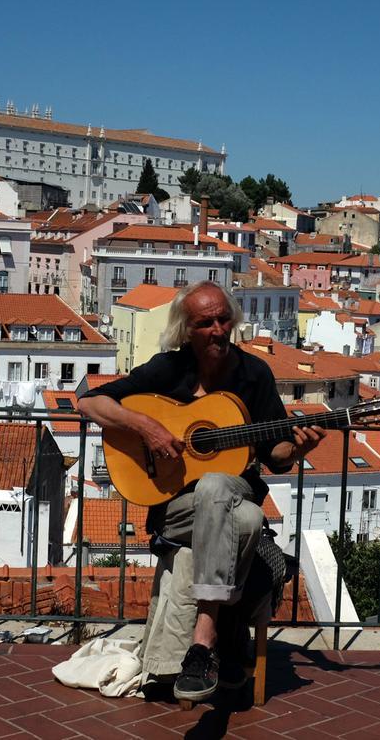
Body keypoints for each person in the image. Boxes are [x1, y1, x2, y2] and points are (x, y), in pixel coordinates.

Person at [78, 281, 324, 702]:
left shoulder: (254, 374)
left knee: (241, 511)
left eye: (224, 319)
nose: (218, 329)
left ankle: (199, 648)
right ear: (186, 330)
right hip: (174, 508)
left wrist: (298, 448)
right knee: (219, 493)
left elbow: (276, 455)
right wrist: (149, 428)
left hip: (237, 499)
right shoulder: (169, 369)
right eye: (205, 322)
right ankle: (224, 641)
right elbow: (89, 402)